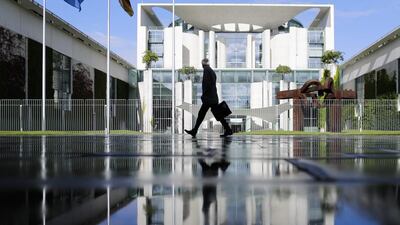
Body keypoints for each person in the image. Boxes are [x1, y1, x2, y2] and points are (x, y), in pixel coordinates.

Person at [185, 59, 233, 137]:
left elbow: (207, 84)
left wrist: (204, 95)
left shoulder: (206, 70)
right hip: (213, 97)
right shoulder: (212, 71)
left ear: (203, 64)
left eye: (201, 64)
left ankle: (195, 130)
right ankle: (228, 130)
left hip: (209, 98)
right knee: (218, 115)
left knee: (202, 114)